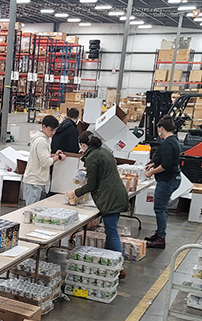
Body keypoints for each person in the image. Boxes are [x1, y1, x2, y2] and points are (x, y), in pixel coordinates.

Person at [66, 132, 130, 278]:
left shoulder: (92, 156)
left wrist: (75, 193)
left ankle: (119, 267)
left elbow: (92, 184)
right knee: (110, 231)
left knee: (112, 232)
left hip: (110, 197)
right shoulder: (103, 151)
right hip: (116, 193)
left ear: (83, 145)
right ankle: (107, 262)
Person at [144, 115, 182, 249]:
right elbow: (168, 159)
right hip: (173, 178)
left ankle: (161, 238)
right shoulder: (173, 140)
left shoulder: (166, 143)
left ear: (161, 128)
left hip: (167, 180)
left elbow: (166, 165)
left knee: (159, 208)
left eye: (158, 129)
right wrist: (153, 163)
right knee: (162, 208)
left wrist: (151, 172)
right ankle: (159, 233)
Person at [22, 115, 65, 205]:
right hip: (34, 182)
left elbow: (41, 156)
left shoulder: (45, 139)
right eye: (51, 130)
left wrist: (53, 155)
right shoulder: (41, 141)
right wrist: (58, 158)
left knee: (36, 209)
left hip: (38, 180)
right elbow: (45, 162)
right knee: (31, 210)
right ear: (43, 126)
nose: (53, 133)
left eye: (55, 130)